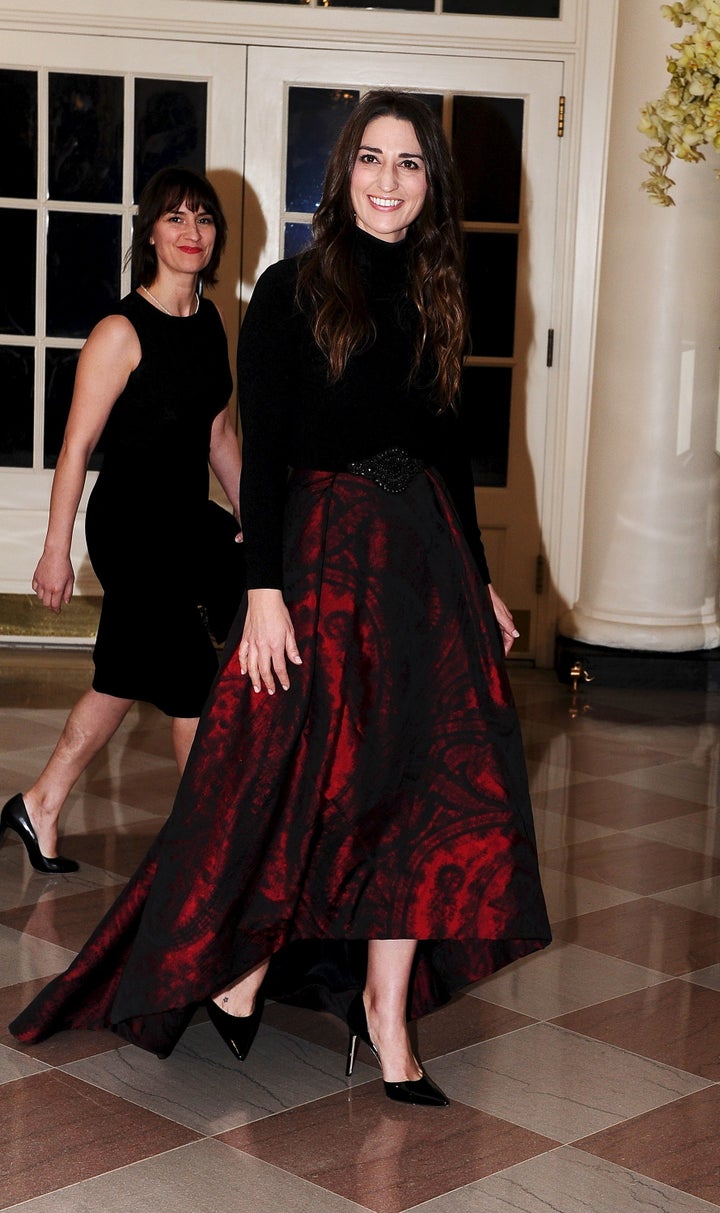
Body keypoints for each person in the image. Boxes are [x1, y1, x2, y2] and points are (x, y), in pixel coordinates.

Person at [10, 93, 550, 1109]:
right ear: (344, 175)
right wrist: (262, 588)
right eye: (372, 161)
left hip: (422, 562)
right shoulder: (291, 286)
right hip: (323, 556)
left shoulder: (442, 292)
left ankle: (390, 1019)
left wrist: (477, 578)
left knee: (424, 788)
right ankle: (243, 957)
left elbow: (447, 452)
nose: (389, 181)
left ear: (431, 185)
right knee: (302, 778)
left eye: (411, 165)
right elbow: (259, 460)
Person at [0, 166, 242, 874]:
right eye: (175, 218)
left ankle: (39, 803)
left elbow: (219, 435)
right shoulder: (120, 330)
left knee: (123, 674)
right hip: (131, 529)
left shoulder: (212, 320)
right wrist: (54, 551)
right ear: (151, 234)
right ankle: (208, 848)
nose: (191, 232)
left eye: (203, 218)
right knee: (189, 676)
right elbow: (75, 447)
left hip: (185, 518)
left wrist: (255, 517)